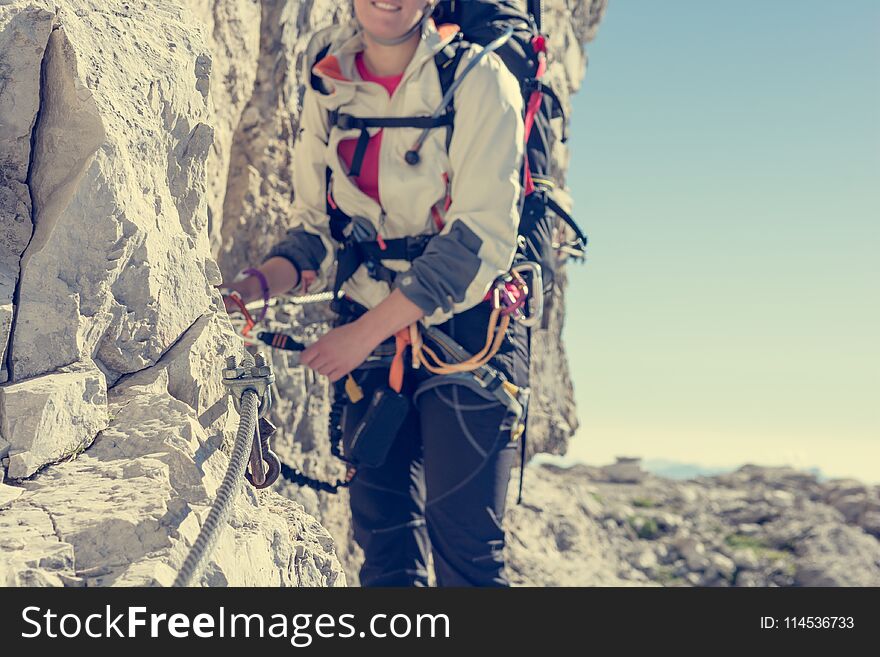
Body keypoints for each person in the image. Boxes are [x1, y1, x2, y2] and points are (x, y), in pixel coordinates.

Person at [219, 0, 528, 587]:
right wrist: (256, 286)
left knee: (466, 549)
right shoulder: (331, 80)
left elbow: (475, 240)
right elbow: (317, 228)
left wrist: (361, 336)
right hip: (368, 338)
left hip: (464, 334)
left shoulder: (480, 80)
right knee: (384, 550)